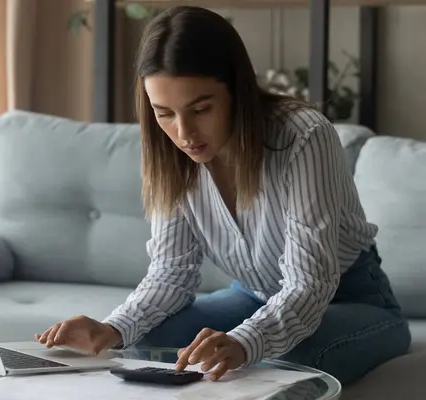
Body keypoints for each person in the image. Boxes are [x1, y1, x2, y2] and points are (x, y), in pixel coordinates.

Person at [36, 6, 411, 385]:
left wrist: (245, 341)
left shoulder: (303, 136)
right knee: (149, 339)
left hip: (354, 300)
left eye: (200, 109)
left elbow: (308, 284)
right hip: (254, 296)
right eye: (164, 113)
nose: (184, 133)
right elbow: (171, 273)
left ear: (237, 90)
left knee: (289, 357)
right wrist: (111, 329)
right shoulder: (172, 155)